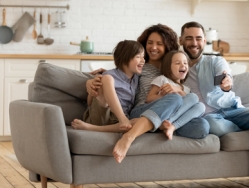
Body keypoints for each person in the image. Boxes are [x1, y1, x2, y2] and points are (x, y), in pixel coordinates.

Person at [86, 24, 210, 163]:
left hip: (168, 116)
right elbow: (120, 73)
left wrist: (179, 90)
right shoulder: (140, 67)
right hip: (142, 111)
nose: (154, 47)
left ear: (167, 46)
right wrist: (92, 81)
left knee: (202, 126)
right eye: (150, 43)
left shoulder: (173, 67)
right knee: (173, 99)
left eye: (159, 44)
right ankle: (130, 136)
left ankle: (162, 125)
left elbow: (186, 94)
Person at [179, 21, 249, 188]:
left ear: (204, 41)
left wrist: (227, 83)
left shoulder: (215, 61)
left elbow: (225, 75)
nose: (194, 43)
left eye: (198, 38)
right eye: (189, 38)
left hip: (232, 109)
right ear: (181, 40)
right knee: (211, 123)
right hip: (208, 117)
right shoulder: (177, 65)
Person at [71, 40, 144, 133]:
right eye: (138, 57)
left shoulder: (137, 78)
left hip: (119, 123)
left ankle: (91, 128)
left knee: (142, 121)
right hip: (101, 115)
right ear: (125, 59)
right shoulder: (108, 75)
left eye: (143, 57)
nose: (143, 60)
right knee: (107, 78)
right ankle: (122, 118)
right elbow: (89, 102)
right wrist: (92, 88)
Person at [146, 50, 205, 140]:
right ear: (169, 67)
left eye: (185, 63)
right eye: (177, 63)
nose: (183, 65)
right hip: (164, 113)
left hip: (177, 118)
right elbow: (149, 99)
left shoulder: (186, 88)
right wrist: (164, 96)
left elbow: (189, 105)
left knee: (201, 106)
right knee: (191, 97)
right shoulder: (162, 79)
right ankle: (167, 122)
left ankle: (172, 126)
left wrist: (179, 90)